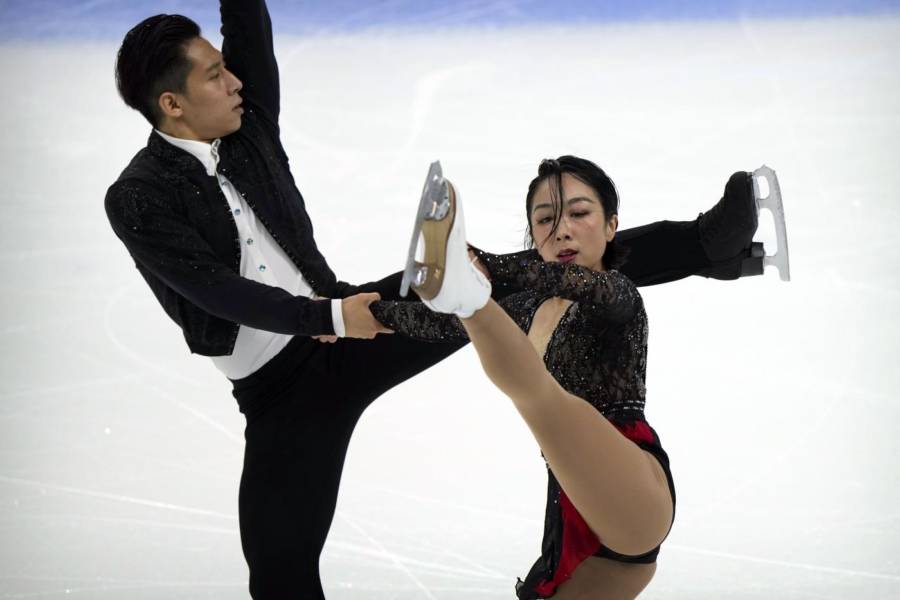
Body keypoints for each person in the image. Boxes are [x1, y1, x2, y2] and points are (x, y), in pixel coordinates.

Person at [104, 2, 768, 597]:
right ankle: (712, 256)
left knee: (526, 269)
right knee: (279, 569)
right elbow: (214, 290)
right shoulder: (137, 198)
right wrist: (328, 316)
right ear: (173, 104)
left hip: (353, 320)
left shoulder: (246, 126)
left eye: (228, 68)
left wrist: (343, 312)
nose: (235, 81)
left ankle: (710, 247)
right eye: (215, 75)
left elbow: (248, 24)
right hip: (285, 391)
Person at [372, 155, 778, 599]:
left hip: (633, 492)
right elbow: (429, 322)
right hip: (574, 517)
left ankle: (468, 295)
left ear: (611, 226)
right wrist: (342, 316)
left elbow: (571, 283)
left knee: (540, 395)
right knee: (511, 361)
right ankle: (466, 295)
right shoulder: (523, 310)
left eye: (580, 213)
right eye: (545, 219)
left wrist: (487, 266)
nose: (562, 230)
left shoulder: (616, 293)